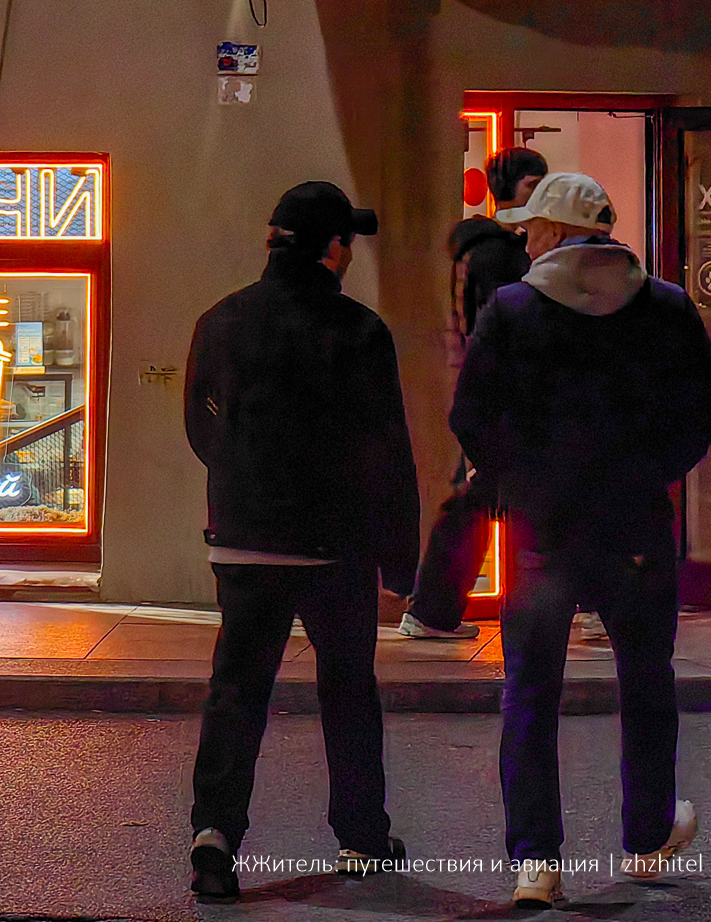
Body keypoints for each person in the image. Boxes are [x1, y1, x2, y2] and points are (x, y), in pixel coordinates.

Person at [450, 172, 711, 908]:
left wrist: (523, 483)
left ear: (560, 233)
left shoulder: (510, 310)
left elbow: (472, 416)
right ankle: (644, 837)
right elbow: (703, 416)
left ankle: (536, 860)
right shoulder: (666, 308)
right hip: (635, 529)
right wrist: (649, 476)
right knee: (646, 684)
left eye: (533, 228)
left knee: (531, 693)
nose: (524, 238)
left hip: (542, 532)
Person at [184, 181, 419, 901]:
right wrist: (401, 557)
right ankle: (360, 837)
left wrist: (239, 487)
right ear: (334, 248)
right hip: (334, 547)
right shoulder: (359, 330)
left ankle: (215, 838)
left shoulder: (219, 321)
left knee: (237, 690)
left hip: (244, 540)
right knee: (348, 689)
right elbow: (389, 450)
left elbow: (200, 428)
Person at [401, 147, 548, 641]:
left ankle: (433, 609)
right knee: (483, 499)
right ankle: (432, 608)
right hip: (503, 399)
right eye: (532, 184)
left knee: (482, 499)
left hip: (489, 396)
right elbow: (500, 332)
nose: (539, 193)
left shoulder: (483, 251)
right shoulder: (500, 256)